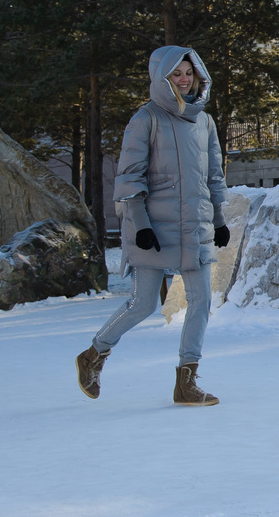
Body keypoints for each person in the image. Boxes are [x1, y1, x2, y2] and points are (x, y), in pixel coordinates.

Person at [76, 45, 230, 406]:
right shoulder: (145, 119)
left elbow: (214, 176)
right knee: (143, 303)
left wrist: (220, 219)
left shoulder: (204, 121)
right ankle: (94, 355)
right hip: (153, 228)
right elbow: (129, 179)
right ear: (163, 78)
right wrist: (141, 224)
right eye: (176, 74)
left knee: (201, 301)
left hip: (195, 227)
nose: (184, 78)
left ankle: (186, 382)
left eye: (189, 72)